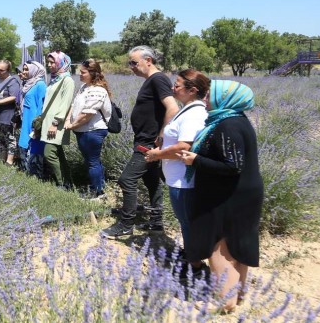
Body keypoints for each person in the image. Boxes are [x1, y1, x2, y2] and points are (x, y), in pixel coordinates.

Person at [179, 80, 261, 312]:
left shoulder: (227, 125)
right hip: (242, 193)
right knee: (238, 246)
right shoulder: (237, 120)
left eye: (209, 95)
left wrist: (195, 160)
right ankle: (238, 296)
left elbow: (232, 165)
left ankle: (224, 301)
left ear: (224, 99)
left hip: (228, 196)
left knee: (220, 247)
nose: (205, 99)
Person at [102, 45, 179, 239]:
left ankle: (126, 224)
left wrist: (161, 137)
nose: (131, 67)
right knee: (152, 182)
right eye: (129, 63)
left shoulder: (158, 79)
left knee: (127, 179)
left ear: (148, 61)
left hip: (149, 143)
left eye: (134, 62)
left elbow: (172, 108)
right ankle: (156, 223)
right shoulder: (151, 80)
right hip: (144, 139)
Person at [144, 69, 209, 254]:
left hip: (184, 180)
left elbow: (183, 147)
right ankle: (191, 255)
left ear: (192, 90)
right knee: (186, 221)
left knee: (187, 221)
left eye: (177, 85)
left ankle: (193, 263)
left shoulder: (193, 114)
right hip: (178, 177)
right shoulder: (187, 110)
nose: (173, 88)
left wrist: (157, 155)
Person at [64, 59, 111, 199]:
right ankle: (98, 187)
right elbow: (73, 106)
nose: (80, 75)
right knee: (93, 161)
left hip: (92, 131)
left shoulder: (98, 90)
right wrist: (68, 120)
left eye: (83, 72)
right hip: (83, 130)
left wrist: (72, 125)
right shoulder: (84, 87)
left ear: (92, 73)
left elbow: (87, 114)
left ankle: (98, 193)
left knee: (92, 162)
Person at [39, 51, 75, 187]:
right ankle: (68, 182)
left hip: (56, 123)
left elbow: (65, 103)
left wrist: (55, 123)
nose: (49, 65)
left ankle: (61, 183)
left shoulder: (67, 80)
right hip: (48, 122)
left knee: (49, 154)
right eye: (48, 62)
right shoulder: (55, 79)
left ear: (62, 62)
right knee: (58, 154)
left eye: (52, 62)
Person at [17, 61, 46, 178]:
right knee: (25, 144)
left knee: (35, 145)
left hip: (33, 121)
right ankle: (27, 172)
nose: (24, 72)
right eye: (23, 69)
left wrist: (37, 126)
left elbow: (42, 106)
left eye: (26, 69)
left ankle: (36, 175)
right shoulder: (28, 83)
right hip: (26, 119)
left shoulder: (40, 85)